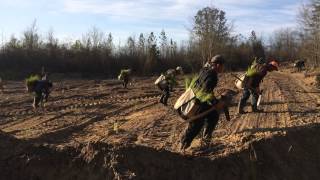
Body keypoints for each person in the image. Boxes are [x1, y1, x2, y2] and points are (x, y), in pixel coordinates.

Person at [180, 55, 225, 151]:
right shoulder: (212, 75)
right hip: (198, 102)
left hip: (194, 98)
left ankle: (206, 141)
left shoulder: (204, 69)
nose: (223, 68)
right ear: (217, 65)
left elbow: (203, 88)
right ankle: (183, 146)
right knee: (197, 124)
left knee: (213, 116)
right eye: (222, 66)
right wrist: (216, 102)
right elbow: (206, 90)